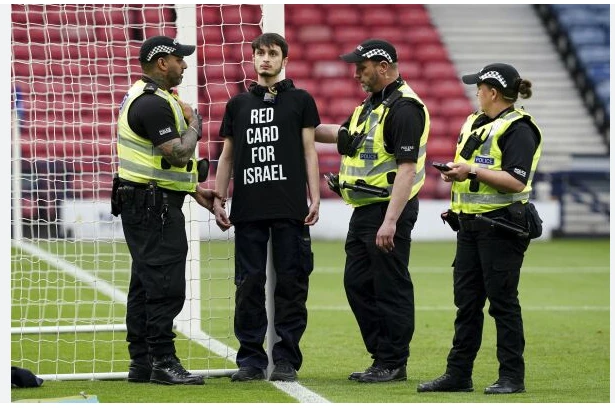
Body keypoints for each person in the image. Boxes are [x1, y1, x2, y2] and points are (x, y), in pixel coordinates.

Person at [417, 63, 542, 394]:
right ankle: (458, 374)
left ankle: (512, 376)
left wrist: (470, 170)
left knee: (502, 303)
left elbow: (516, 181)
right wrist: (457, 171)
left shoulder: (520, 129)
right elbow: (477, 170)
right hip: (471, 227)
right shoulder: (476, 122)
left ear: (493, 92)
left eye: (480, 87)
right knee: (467, 304)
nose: (476, 92)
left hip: (502, 227)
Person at [315, 39, 430, 383]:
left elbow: (407, 169)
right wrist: (299, 123)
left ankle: (392, 361)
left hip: (387, 210)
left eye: (361, 67)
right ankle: (383, 356)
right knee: (357, 283)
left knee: (390, 286)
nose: (355, 75)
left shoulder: (405, 108)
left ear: (383, 66)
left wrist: (390, 221)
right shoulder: (371, 105)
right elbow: (342, 134)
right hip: (365, 209)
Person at [212, 32, 321, 382]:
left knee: (291, 284)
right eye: (260, 53)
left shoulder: (301, 100)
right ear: (253, 59)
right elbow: (226, 154)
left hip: (291, 207)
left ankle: (286, 359)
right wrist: (218, 196)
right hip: (249, 208)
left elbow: (309, 151)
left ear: (284, 59)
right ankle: (250, 360)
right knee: (248, 285)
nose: (265, 59)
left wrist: (314, 195)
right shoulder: (238, 104)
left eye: (273, 53)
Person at [112, 35, 220, 385]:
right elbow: (177, 154)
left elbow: (157, 166)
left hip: (147, 202)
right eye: (179, 59)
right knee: (163, 283)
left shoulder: (150, 98)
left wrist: (193, 189)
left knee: (145, 284)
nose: (185, 64)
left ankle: (141, 362)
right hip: (152, 208)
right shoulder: (153, 104)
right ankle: (163, 361)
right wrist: (196, 124)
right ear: (162, 63)